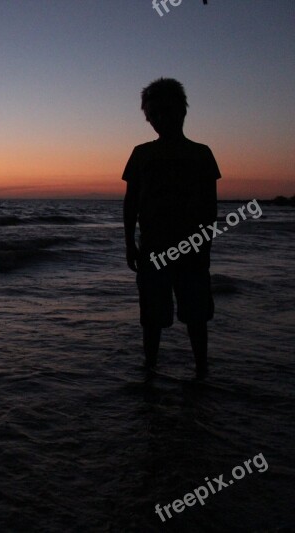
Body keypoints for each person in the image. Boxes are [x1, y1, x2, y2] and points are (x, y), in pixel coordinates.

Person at [122, 77, 221, 378]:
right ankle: (150, 368)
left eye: (165, 111)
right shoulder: (141, 154)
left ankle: (201, 370)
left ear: (181, 111)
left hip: (192, 250)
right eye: (152, 115)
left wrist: (204, 245)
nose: (158, 119)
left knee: (196, 316)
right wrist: (129, 243)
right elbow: (131, 203)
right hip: (153, 249)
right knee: (151, 317)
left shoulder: (201, 153)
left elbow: (210, 206)